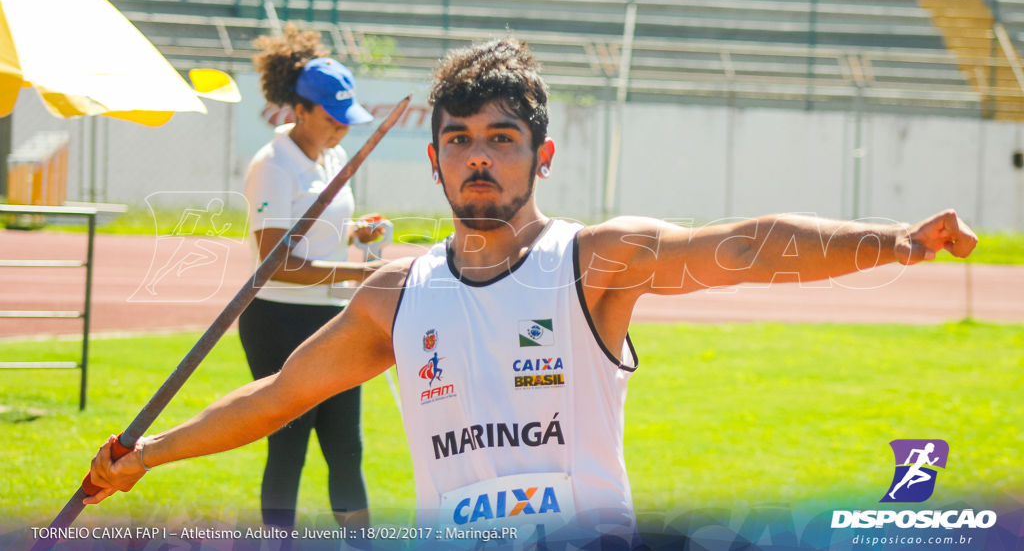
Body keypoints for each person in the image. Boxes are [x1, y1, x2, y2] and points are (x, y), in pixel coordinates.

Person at [85, 37, 977, 547]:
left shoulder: (595, 262)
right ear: (433, 160)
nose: (479, 155)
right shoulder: (394, 300)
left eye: (503, 138)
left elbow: (744, 246)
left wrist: (892, 241)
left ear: (541, 155)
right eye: (460, 139)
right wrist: (146, 453)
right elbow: (276, 396)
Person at [237, 26, 385, 529]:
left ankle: (362, 545)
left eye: (349, 120)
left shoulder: (335, 156)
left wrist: (359, 236)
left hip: (335, 314)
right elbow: (274, 264)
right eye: (332, 118)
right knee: (290, 444)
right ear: (299, 110)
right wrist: (360, 270)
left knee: (346, 447)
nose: (343, 129)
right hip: (278, 319)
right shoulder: (272, 166)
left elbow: (325, 236)